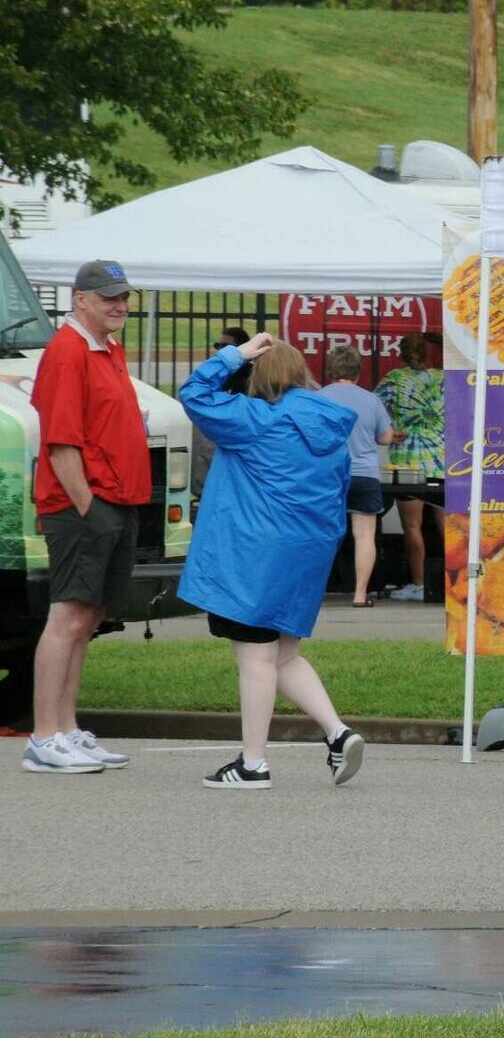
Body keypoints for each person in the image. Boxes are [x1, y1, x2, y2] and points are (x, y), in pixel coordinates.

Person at [176, 334, 365, 790]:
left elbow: (193, 394)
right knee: (284, 654)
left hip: (253, 554)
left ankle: (253, 764)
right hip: (307, 552)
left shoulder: (255, 418)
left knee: (255, 657)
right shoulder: (331, 428)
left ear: (257, 375)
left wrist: (232, 355)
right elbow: (341, 492)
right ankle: (338, 733)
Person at [21, 261, 149, 775]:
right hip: (82, 505)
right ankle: (44, 736)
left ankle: (68, 729)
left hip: (113, 499)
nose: (119, 305)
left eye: (123, 297)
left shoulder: (106, 347)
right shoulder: (68, 351)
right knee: (67, 616)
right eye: (108, 297)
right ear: (80, 299)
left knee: (88, 618)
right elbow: (61, 441)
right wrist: (86, 506)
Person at [319, 345, 400, 608]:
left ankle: (315, 591)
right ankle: (360, 594)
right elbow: (385, 437)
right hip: (365, 473)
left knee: (322, 533)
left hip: (328, 474)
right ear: (357, 370)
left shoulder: (318, 397)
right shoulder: (371, 399)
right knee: (364, 535)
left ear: (331, 368)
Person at [375, 333, 445, 604]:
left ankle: (418, 583)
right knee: (449, 527)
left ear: (401, 353)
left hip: (407, 461)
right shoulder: (442, 379)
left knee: (412, 527)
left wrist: (392, 427)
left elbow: (373, 407)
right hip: (441, 458)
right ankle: (457, 580)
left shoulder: (394, 380)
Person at [190, 326, 251, 503]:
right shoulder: (219, 374)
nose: (219, 350)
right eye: (218, 345)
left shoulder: (249, 377)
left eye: (225, 346)